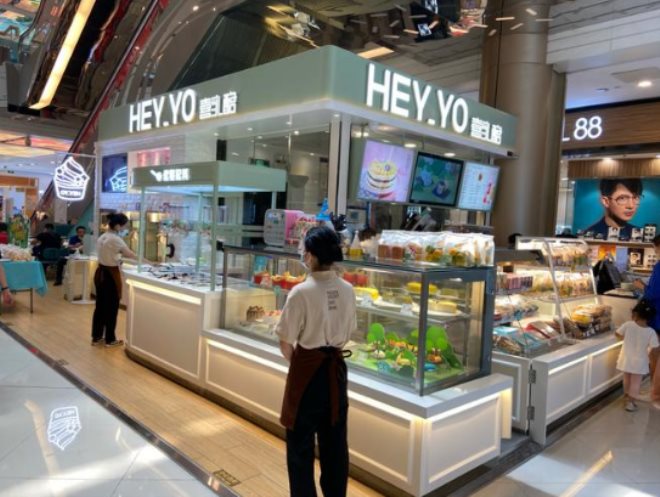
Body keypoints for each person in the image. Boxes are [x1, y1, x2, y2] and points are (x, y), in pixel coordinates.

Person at [277, 226, 356, 497]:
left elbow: (285, 342)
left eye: (303, 250)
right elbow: (347, 334)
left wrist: (301, 364)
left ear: (310, 256)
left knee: (300, 446)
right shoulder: (348, 290)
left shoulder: (301, 292)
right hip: (336, 373)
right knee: (335, 443)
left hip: (307, 375)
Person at [92, 214, 140, 347]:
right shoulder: (115, 239)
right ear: (118, 226)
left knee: (100, 307)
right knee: (111, 308)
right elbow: (130, 254)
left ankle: (96, 337)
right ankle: (110, 339)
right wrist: (149, 263)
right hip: (110, 276)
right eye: (125, 225)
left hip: (100, 273)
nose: (125, 228)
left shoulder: (103, 236)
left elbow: (110, 254)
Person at [615, 300, 659, 412]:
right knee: (636, 382)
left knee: (626, 379)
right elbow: (655, 347)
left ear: (635, 314)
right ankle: (631, 403)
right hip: (640, 362)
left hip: (626, 358)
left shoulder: (628, 325)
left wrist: (625, 338)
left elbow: (617, 334)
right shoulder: (651, 332)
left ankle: (626, 396)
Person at [634, 235, 660, 407]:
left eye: (656, 247)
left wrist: (641, 286)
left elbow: (653, 294)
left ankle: (655, 395)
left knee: (655, 356)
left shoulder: (659, 266)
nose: (655, 251)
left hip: (658, 317)